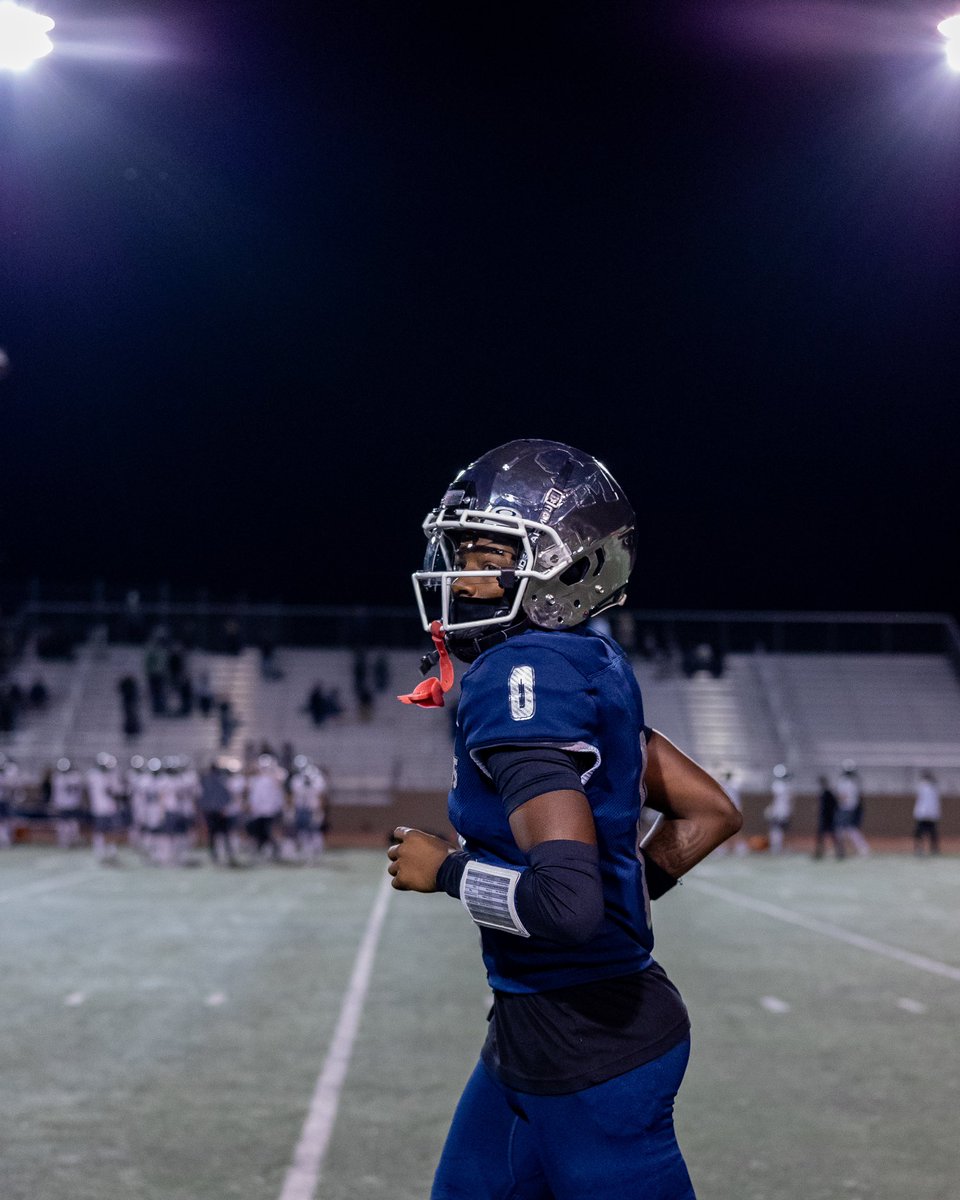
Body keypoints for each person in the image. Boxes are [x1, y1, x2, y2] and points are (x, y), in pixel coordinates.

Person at [387, 439, 741, 1200]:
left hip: (595, 1054)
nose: (461, 572)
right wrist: (623, 891)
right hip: (530, 1032)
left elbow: (567, 909)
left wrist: (445, 872)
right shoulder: (589, 661)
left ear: (566, 568)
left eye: (488, 553)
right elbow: (709, 812)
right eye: (461, 549)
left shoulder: (521, 677)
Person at [763, 764, 793, 854]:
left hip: (779, 809)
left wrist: (771, 808)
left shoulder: (778, 785)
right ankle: (777, 847)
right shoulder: (785, 785)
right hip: (783, 809)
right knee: (778, 829)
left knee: (776, 828)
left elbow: (774, 798)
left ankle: (776, 847)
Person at [813, 774, 844, 860]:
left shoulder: (828, 793)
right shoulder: (823, 793)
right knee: (821, 837)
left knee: (832, 836)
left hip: (829, 818)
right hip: (825, 818)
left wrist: (831, 814)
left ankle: (840, 853)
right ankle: (819, 853)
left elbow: (835, 805)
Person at [912, 769, 941, 855]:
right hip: (925, 814)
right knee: (921, 832)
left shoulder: (932, 788)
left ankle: (932, 848)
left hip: (927, 814)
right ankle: (921, 848)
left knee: (931, 833)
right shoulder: (923, 787)